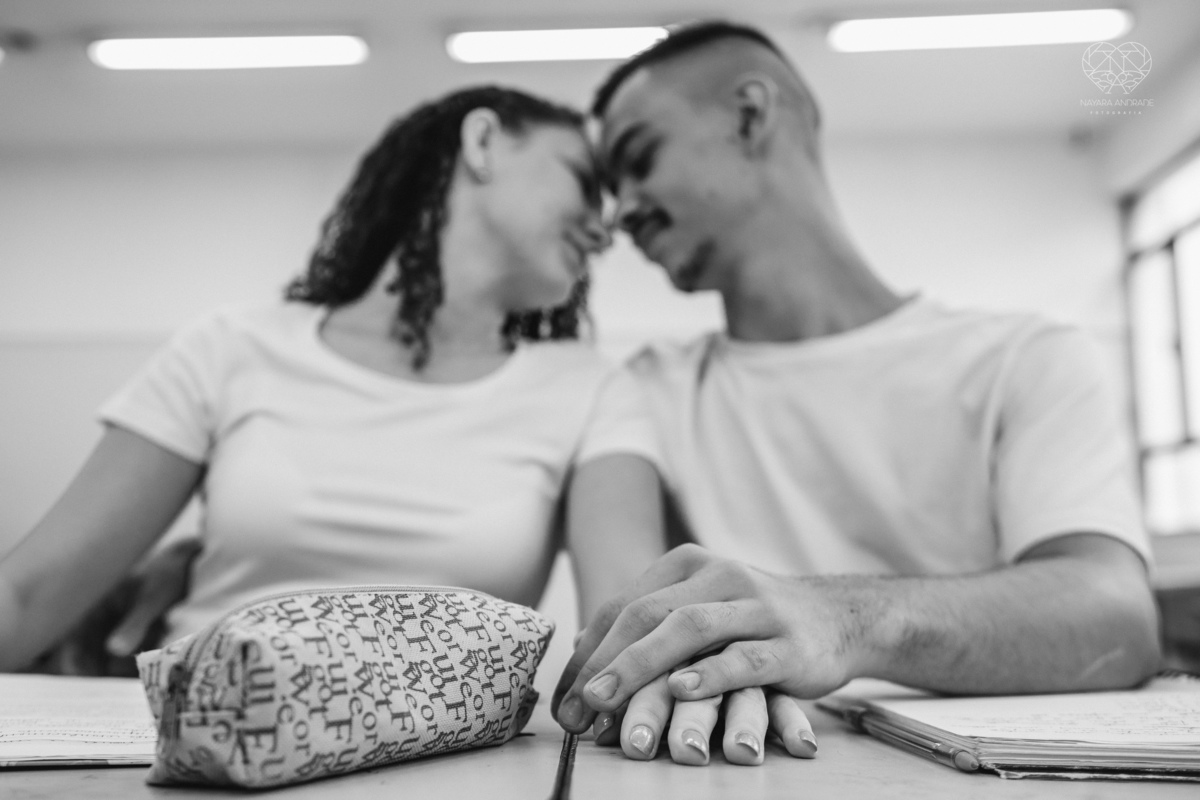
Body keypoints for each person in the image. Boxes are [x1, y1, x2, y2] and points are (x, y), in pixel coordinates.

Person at [553, 20, 1163, 760]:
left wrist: (841, 620)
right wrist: (710, 662)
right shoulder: (645, 390)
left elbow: (1116, 615)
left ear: (750, 116)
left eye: (639, 159)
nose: (621, 211)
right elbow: (625, 640)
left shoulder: (1027, 357)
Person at [0, 85, 670, 680]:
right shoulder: (233, 348)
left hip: (445, 766)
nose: (605, 226)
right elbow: (29, 593)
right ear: (483, 141)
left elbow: (626, 632)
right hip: (189, 749)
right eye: (584, 180)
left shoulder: (591, 389)